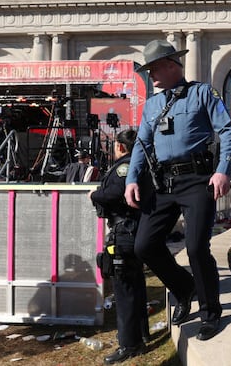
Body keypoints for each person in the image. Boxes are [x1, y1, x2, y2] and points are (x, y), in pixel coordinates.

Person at [124, 39, 231, 341]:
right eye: (147, 70)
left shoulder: (202, 93)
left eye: (154, 68)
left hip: (198, 181)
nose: (150, 75)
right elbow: (142, 144)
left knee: (197, 247)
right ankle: (184, 288)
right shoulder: (151, 105)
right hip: (164, 183)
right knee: (144, 245)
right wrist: (131, 179)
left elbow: (226, 130)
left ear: (173, 65)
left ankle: (211, 313)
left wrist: (222, 170)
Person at [89, 129, 150, 363]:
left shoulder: (125, 167)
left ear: (121, 147)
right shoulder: (136, 165)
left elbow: (113, 193)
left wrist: (95, 195)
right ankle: (141, 334)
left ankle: (129, 345)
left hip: (124, 232)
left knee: (124, 291)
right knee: (135, 286)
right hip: (132, 230)